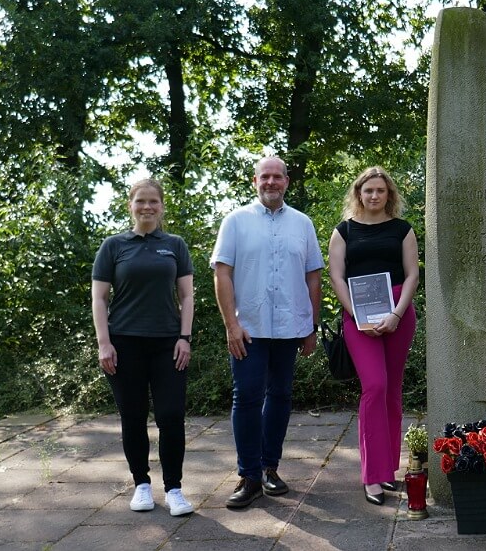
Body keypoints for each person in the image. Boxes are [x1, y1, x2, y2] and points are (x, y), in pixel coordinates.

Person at [212, 156, 324, 509]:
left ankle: (269, 468)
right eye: (265, 177)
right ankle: (248, 475)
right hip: (249, 329)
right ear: (254, 181)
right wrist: (231, 324)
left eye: (278, 177)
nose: (271, 182)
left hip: (290, 329)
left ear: (287, 182)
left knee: (280, 397)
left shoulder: (302, 224)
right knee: (245, 398)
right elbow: (222, 274)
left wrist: (311, 326)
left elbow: (313, 277)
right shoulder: (235, 222)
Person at [91, 178, 196, 516]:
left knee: (170, 416)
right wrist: (104, 344)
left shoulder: (175, 245)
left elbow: (187, 295)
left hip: (168, 344)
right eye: (141, 201)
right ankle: (142, 485)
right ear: (130, 205)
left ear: (162, 206)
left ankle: (175, 489)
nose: (147, 207)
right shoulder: (113, 246)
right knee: (133, 417)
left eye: (153, 201)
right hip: (124, 345)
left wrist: (185, 338)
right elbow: (99, 298)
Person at [327, 167, 419, 506]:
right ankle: (371, 475)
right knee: (375, 387)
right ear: (359, 193)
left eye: (381, 190)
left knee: (392, 391)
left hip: (398, 315)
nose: (375, 196)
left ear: (389, 195)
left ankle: (387, 470)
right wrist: (356, 314)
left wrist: (396, 314)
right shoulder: (344, 231)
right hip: (358, 316)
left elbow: (412, 275)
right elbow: (337, 277)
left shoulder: (402, 230)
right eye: (369, 191)